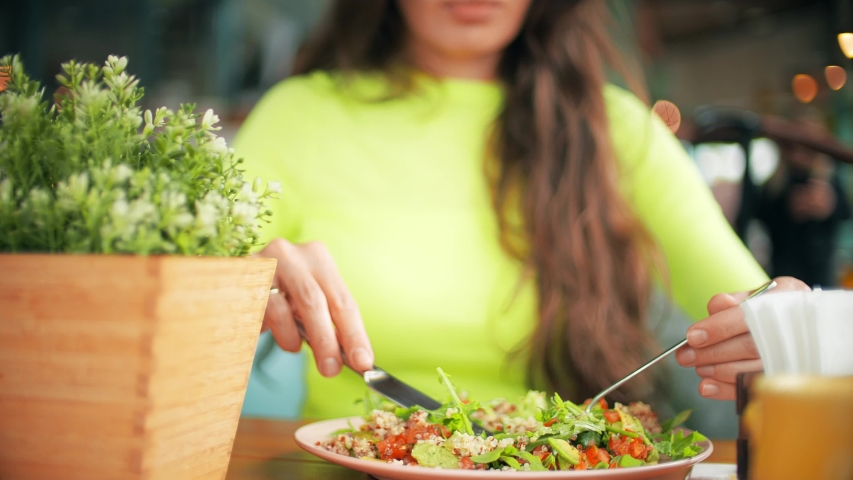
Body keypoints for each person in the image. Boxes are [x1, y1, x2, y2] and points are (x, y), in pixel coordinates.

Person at [234, 0, 809, 420]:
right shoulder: (296, 117)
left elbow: (759, 311)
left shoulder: (618, 130)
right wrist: (236, 285)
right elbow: (167, 310)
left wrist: (786, 327)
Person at [756, 131, 850, 288]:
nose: (800, 154)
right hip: (785, 267)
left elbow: (845, 213)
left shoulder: (830, 180)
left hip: (822, 269)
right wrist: (788, 210)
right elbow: (761, 216)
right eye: (793, 147)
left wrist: (829, 207)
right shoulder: (776, 184)